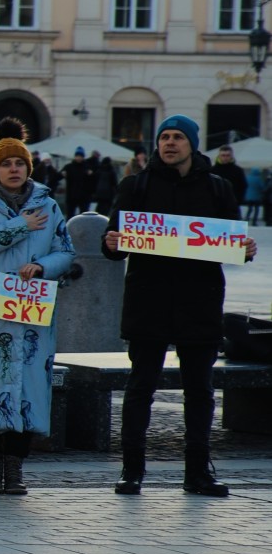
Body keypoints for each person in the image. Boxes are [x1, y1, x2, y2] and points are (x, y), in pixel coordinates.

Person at [104, 115, 258, 496]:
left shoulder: (218, 188)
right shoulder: (134, 185)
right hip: (148, 303)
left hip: (199, 303)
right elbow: (114, 245)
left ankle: (197, 471)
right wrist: (110, 243)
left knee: (200, 391)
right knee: (140, 387)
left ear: (192, 144)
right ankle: (132, 469)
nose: (170, 143)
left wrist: (246, 249)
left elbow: (232, 244)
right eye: (164, 137)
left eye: (178, 138)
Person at [0, 120, 75, 496]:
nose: (14, 169)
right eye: (6, 163)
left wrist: (43, 267)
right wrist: (20, 226)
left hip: (31, 311)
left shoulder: (49, 205)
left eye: (19, 163)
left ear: (29, 168)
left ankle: (16, 466)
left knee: (27, 385)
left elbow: (65, 252)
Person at [62, 147, 94, 215]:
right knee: (70, 215)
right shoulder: (69, 167)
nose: (79, 158)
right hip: (71, 195)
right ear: (75, 156)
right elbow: (59, 175)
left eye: (80, 156)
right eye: (77, 156)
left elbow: (94, 179)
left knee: (84, 215)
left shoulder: (87, 167)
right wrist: (62, 173)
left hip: (84, 196)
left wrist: (91, 175)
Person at [91, 150, 118, 217]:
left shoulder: (99, 170)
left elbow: (94, 181)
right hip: (108, 195)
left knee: (99, 209)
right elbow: (114, 183)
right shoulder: (111, 171)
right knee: (106, 211)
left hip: (99, 194)